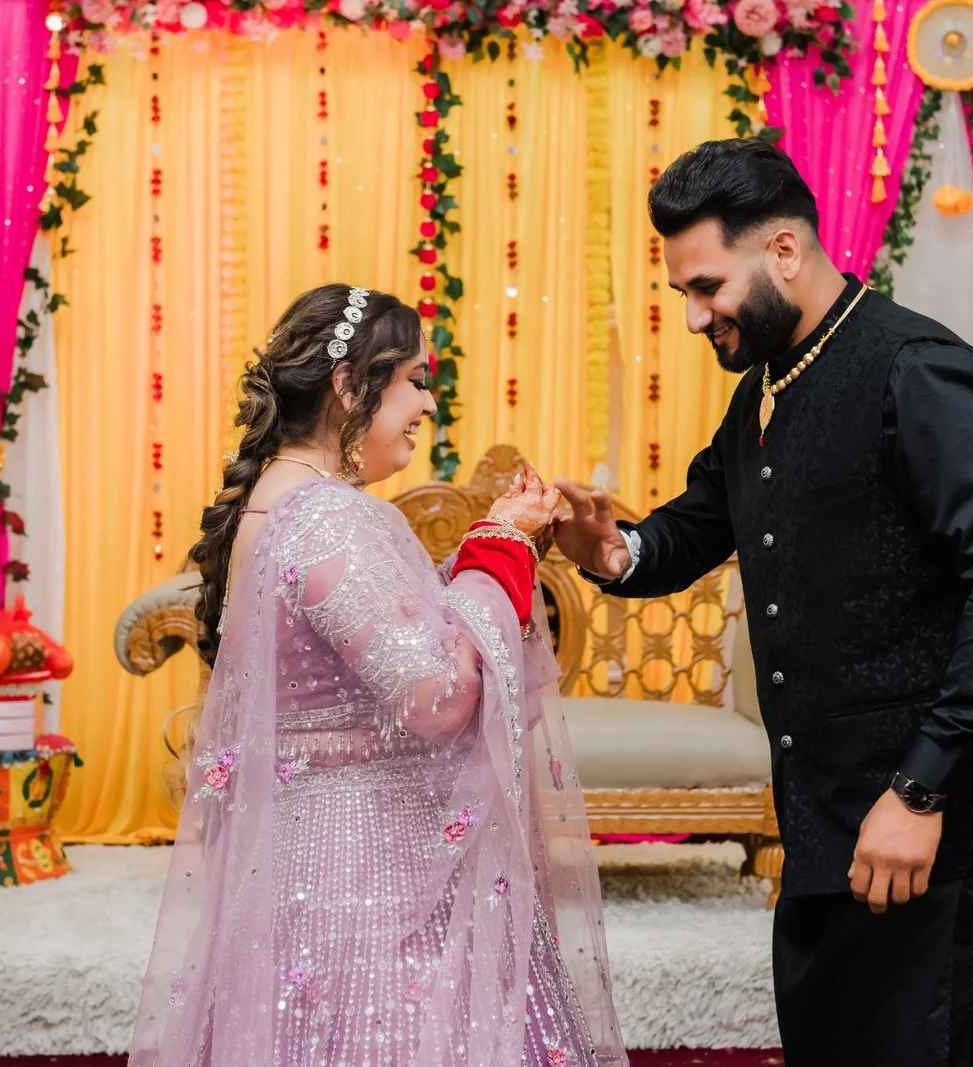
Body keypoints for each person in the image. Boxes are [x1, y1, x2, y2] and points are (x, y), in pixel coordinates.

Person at [552, 140, 973, 1065]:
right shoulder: (770, 383)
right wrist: (616, 551)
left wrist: (920, 787)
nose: (692, 314)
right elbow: (702, 519)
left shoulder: (917, 369)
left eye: (707, 286)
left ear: (784, 251)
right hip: (832, 829)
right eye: (682, 291)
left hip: (949, 840)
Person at [128, 283, 627, 1067]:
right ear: (347, 384)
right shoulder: (326, 515)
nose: (428, 404)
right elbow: (437, 696)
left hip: (305, 857)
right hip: (368, 874)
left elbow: (382, 640)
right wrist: (498, 546)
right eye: (416, 381)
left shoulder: (276, 503)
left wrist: (493, 551)